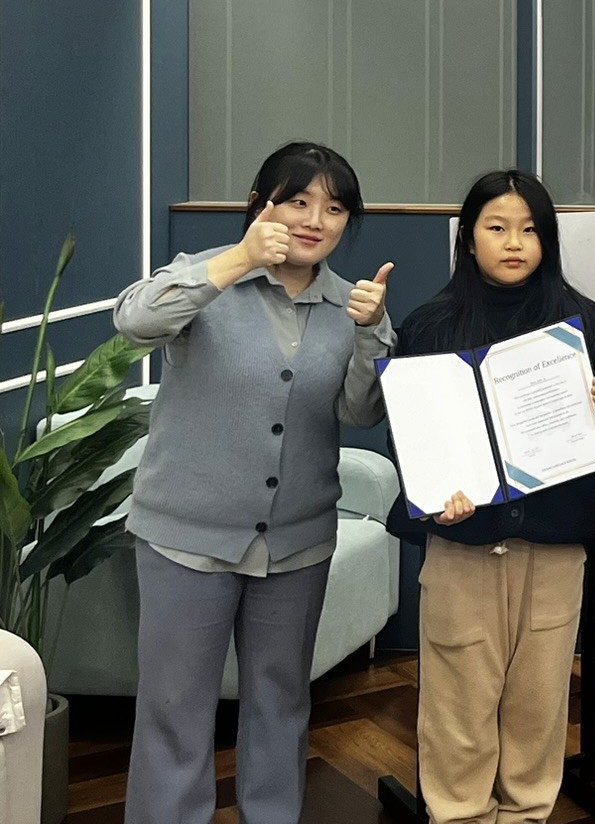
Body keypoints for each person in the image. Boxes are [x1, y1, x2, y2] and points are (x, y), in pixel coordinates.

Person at [112, 141, 394, 824]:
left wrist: (372, 332)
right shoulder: (207, 277)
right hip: (186, 538)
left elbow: (359, 412)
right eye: (298, 200)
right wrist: (238, 258)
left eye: (333, 208)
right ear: (260, 204)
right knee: (175, 711)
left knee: (280, 703)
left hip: (296, 544)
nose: (314, 219)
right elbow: (133, 322)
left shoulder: (347, 304)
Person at [388, 169, 595, 824]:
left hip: (552, 548)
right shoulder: (430, 324)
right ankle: (459, 815)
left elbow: (589, 431)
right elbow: (407, 437)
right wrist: (435, 496)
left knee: (537, 705)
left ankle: (525, 815)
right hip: (465, 547)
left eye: (529, 230)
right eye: (497, 227)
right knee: (459, 706)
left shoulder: (577, 321)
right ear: (469, 239)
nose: (513, 241)